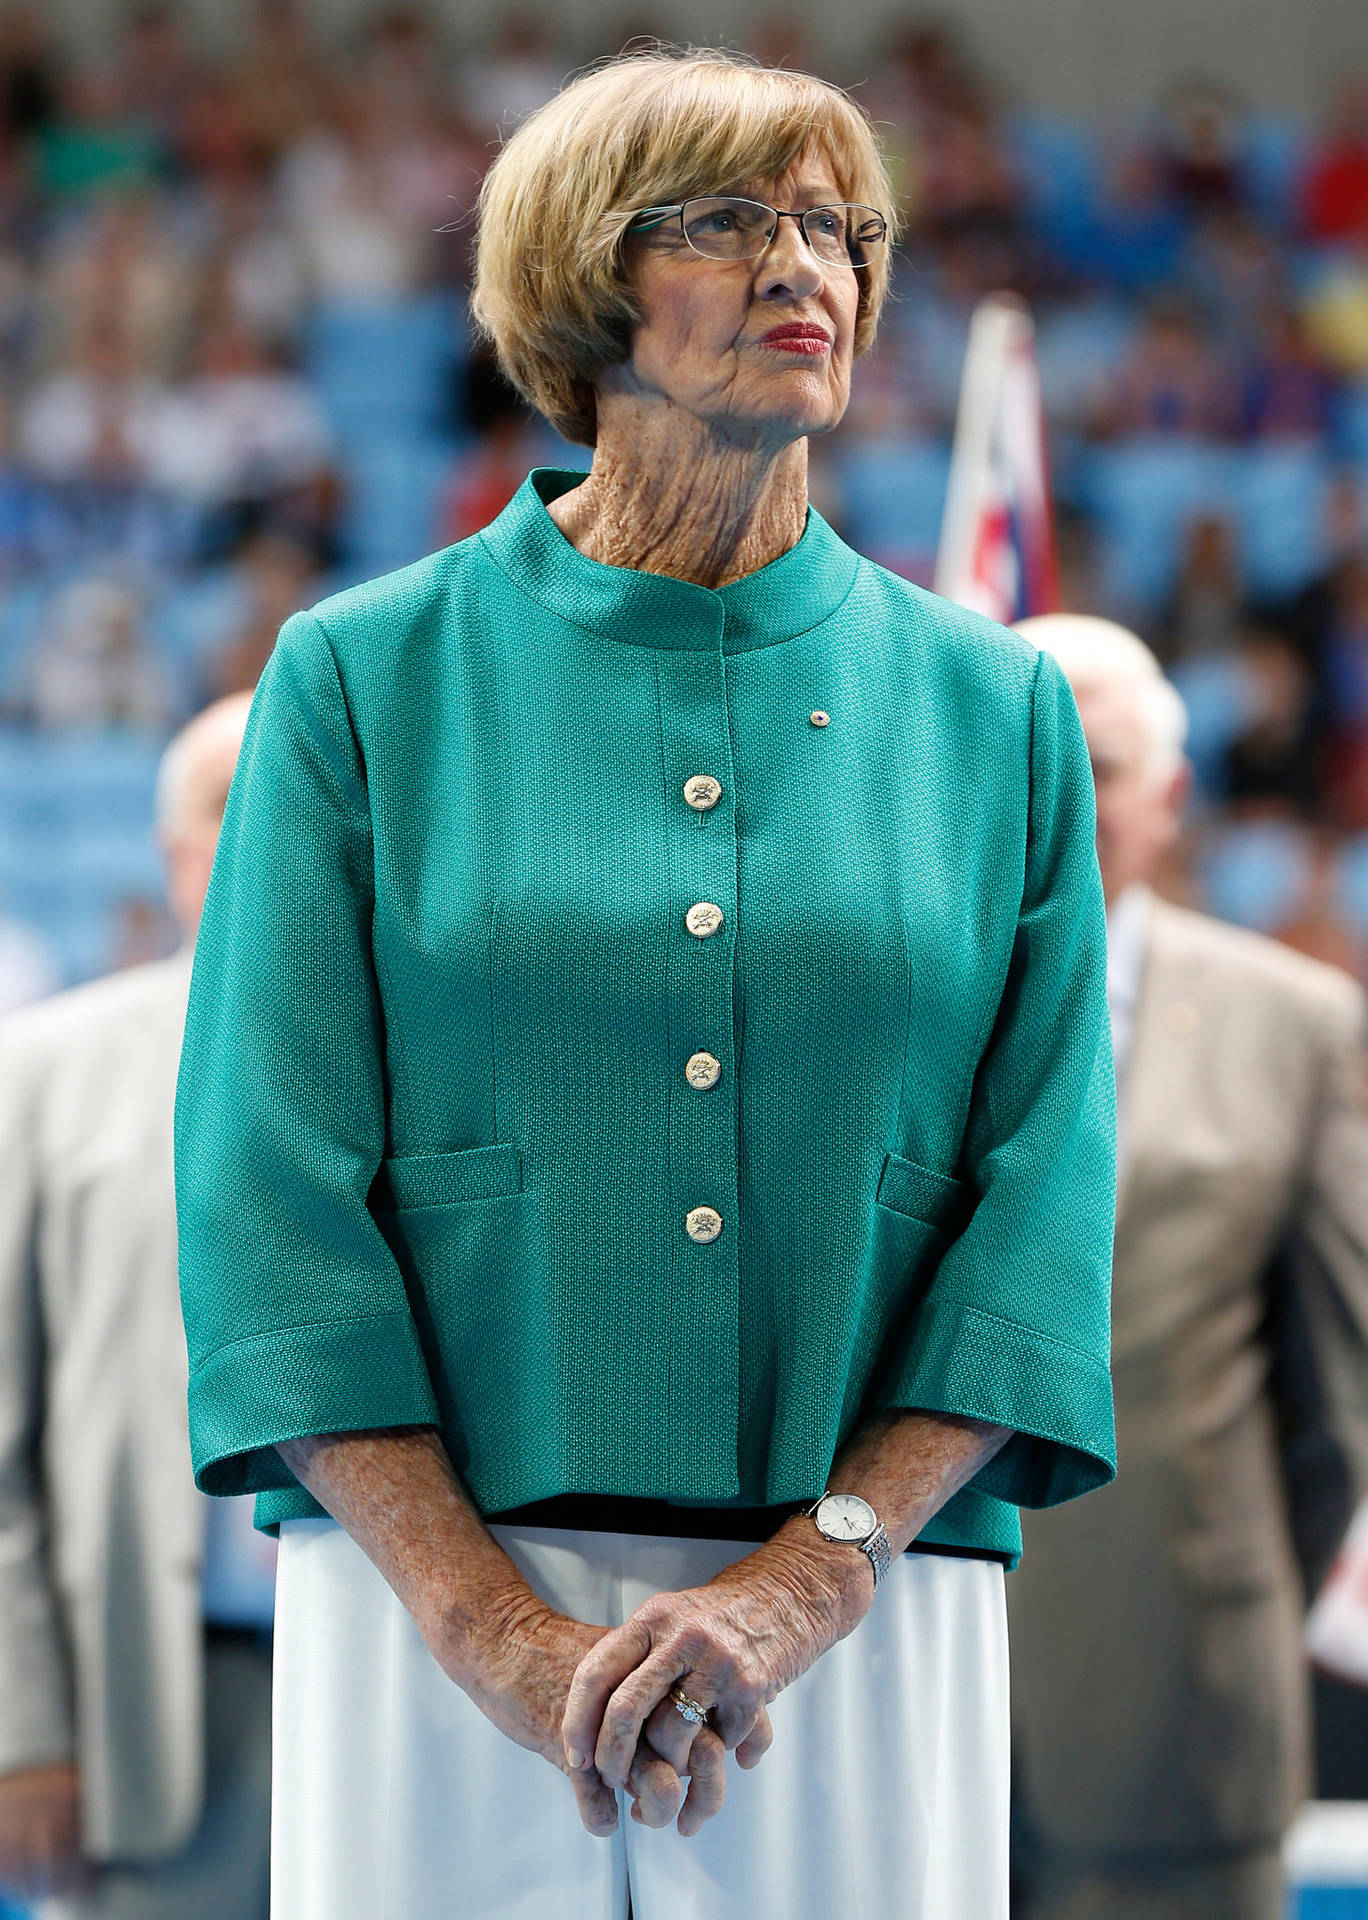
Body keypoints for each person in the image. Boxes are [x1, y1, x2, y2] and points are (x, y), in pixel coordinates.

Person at [174, 49, 1117, 1920]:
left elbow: (1040, 1200)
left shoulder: (995, 708)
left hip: (865, 1614)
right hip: (425, 1613)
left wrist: (814, 1573)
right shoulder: (362, 678)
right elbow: (267, 1196)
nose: (810, 270)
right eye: (732, 222)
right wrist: (488, 1629)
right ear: (582, 280)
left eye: (839, 230)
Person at [1009, 613, 1368, 1920]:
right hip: (884, 1693)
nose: (1055, 793)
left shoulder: (1296, 1026)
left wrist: (1211, 1578)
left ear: (1168, 795)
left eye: (1094, 764)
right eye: (1019, 753)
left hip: (1177, 1714)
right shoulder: (862, 1014)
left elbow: (1336, 1407)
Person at [0, 693, 276, 1920]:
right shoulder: (43, 1071)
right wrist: (19, 1725)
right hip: (149, 1703)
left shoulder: (457, 1068)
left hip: (411, 1659)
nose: (273, 819)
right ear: (170, 850)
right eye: (232, 801)